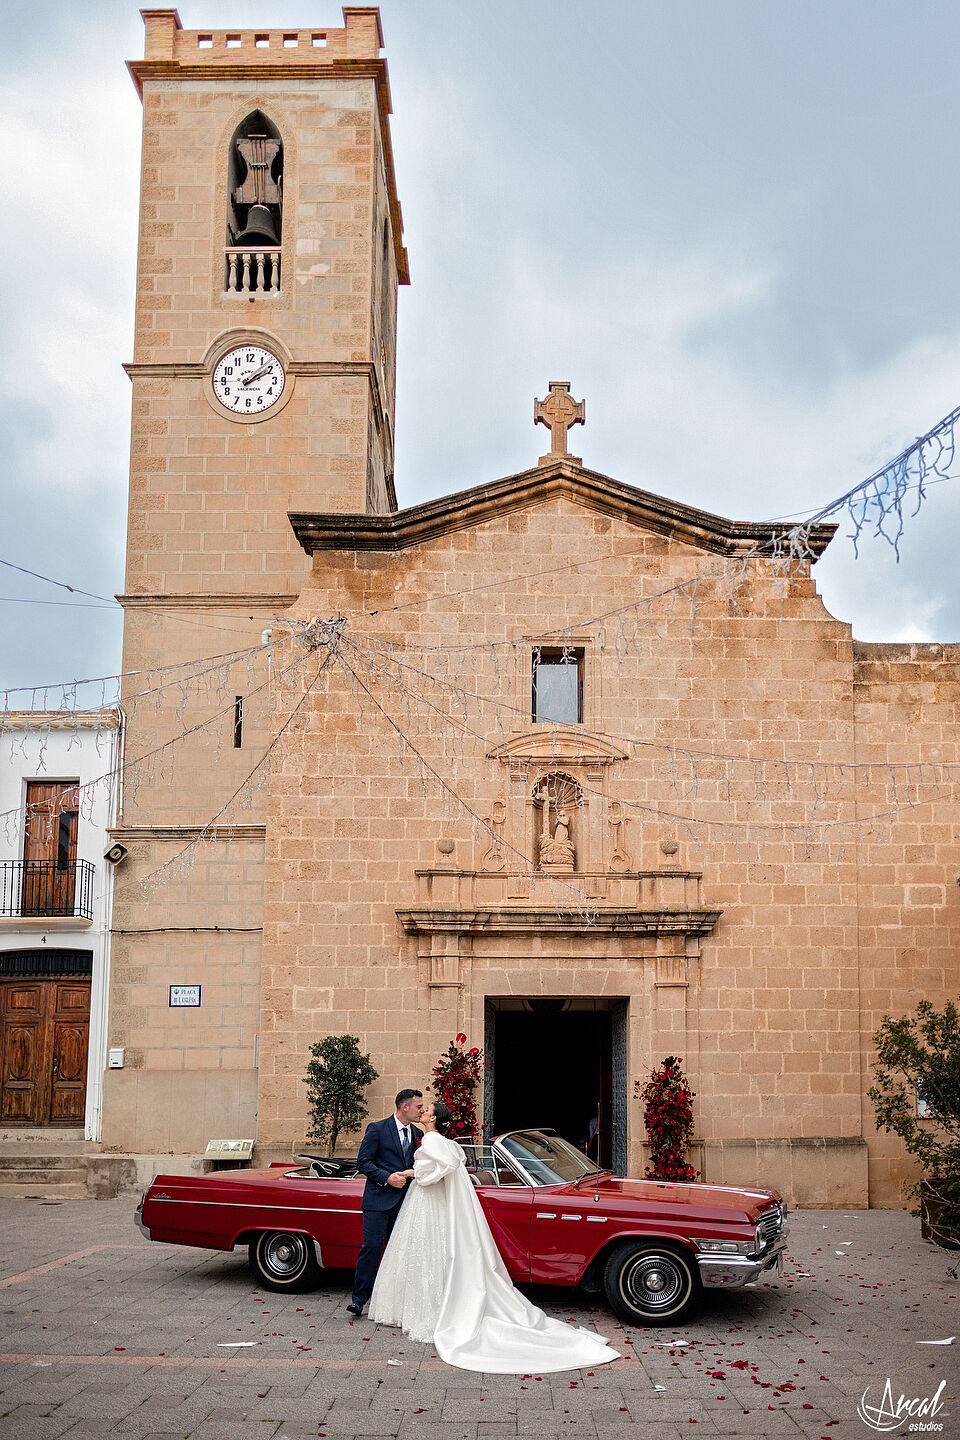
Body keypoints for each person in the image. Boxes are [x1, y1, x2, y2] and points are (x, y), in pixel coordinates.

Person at [367, 1102, 619, 1373]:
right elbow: (446, 1166)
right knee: (432, 1255)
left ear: (433, 1119)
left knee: (427, 1255)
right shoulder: (445, 1141)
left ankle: (428, 1311)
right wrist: (415, 1172)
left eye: (426, 1109)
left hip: (428, 1205)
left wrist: (412, 1173)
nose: (422, 1111)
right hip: (434, 1206)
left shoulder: (430, 1140)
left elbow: (432, 1175)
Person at [348, 1088, 424, 1316]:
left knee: (398, 1252)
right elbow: (363, 1163)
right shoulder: (377, 1129)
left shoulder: (418, 1134)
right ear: (405, 1107)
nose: (421, 1110)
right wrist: (387, 1178)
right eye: (418, 1106)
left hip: (405, 1203)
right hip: (378, 1200)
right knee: (371, 1247)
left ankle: (393, 1302)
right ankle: (359, 1299)